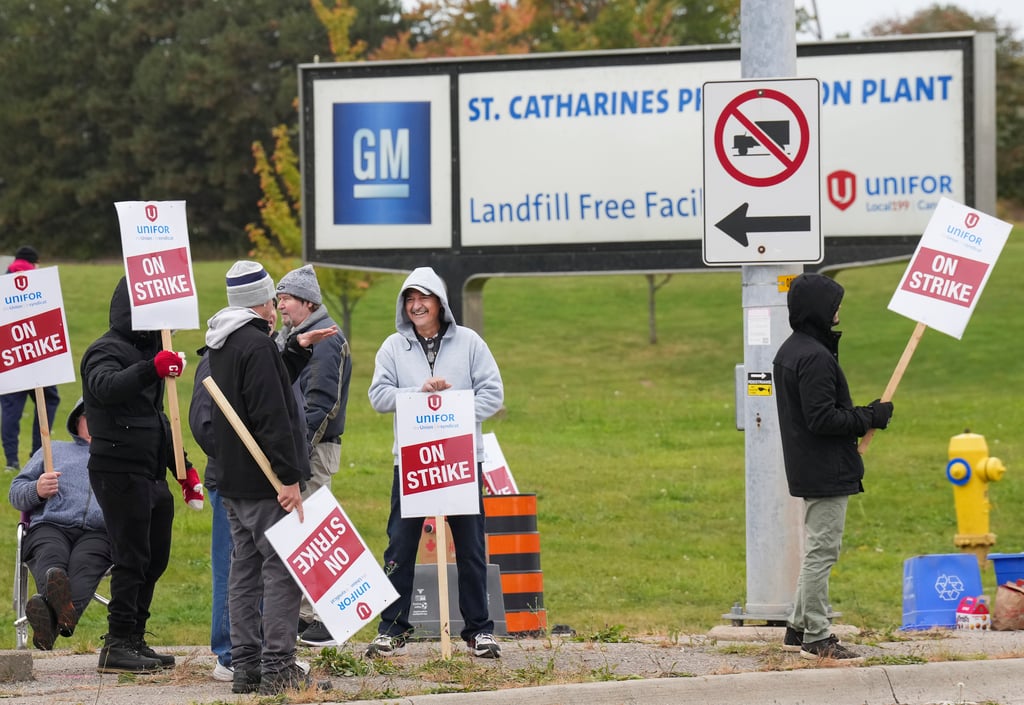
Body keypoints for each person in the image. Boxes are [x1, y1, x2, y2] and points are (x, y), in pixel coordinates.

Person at [365, 266, 504, 660]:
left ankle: (479, 630)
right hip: (412, 461)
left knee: (471, 546)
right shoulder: (393, 346)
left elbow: (493, 394)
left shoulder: (470, 342)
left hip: (460, 460)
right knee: (400, 545)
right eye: (409, 298)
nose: (416, 305)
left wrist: (454, 410)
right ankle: (392, 629)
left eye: (423, 297)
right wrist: (419, 392)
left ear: (440, 302)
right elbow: (378, 396)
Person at [205, 260, 329, 695]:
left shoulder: (224, 343)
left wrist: (294, 351)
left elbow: (258, 390)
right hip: (265, 482)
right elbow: (273, 415)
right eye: (271, 299)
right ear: (260, 302)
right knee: (281, 571)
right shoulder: (255, 346)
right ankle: (277, 668)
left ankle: (245, 669)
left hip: (233, 481)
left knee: (245, 570)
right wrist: (290, 476)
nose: (276, 307)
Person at [81, 276, 204, 673]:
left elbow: (159, 419)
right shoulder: (104, 349)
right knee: (131, 556)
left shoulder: (156, 350)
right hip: (117, 470)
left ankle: (135, 637)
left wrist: (183, 468)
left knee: (154, 558)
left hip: (151, 473)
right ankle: (117, 643)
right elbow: (105, 388)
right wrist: (150, 369)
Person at [773, 273, 893, 662]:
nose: (839, 310)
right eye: (834, 304)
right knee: (822, 552)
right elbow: (822, 419)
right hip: (825, 468)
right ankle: (818, 638)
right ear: (818, 310)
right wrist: (869, 416)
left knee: (819, 548)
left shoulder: (794, 350)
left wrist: (865, 416)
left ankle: (797, 627)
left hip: (812, 464)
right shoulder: (814, 357)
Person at [275, 264, 352, 647]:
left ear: (307, 301)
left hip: (313, 450)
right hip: (301, 448)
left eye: (286, 297)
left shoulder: (326, 340)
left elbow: (322, 403)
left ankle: (323, 617)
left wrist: (296, 454)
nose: (280, 305)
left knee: (314, 531)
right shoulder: (295, 336)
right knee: (301, 530)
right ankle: (306, 615)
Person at [9, 398, 111, 650]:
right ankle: (60, 618)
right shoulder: (51, 450)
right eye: (90, 416)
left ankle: (48, 626)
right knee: (52, 563)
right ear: (78, 421)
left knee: (85, 564)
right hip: (51, 525)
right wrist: (37, 489)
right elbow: (15, 493)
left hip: (99, 532)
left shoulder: (118, 457)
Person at [2, 246, 59, 471]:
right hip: (38, 356)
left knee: (9, 410)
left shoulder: (3, 282)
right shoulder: (40, 283)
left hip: (10, 358)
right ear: (34, 263)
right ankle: (38, 453)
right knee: (48, 400)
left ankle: (11, 461)